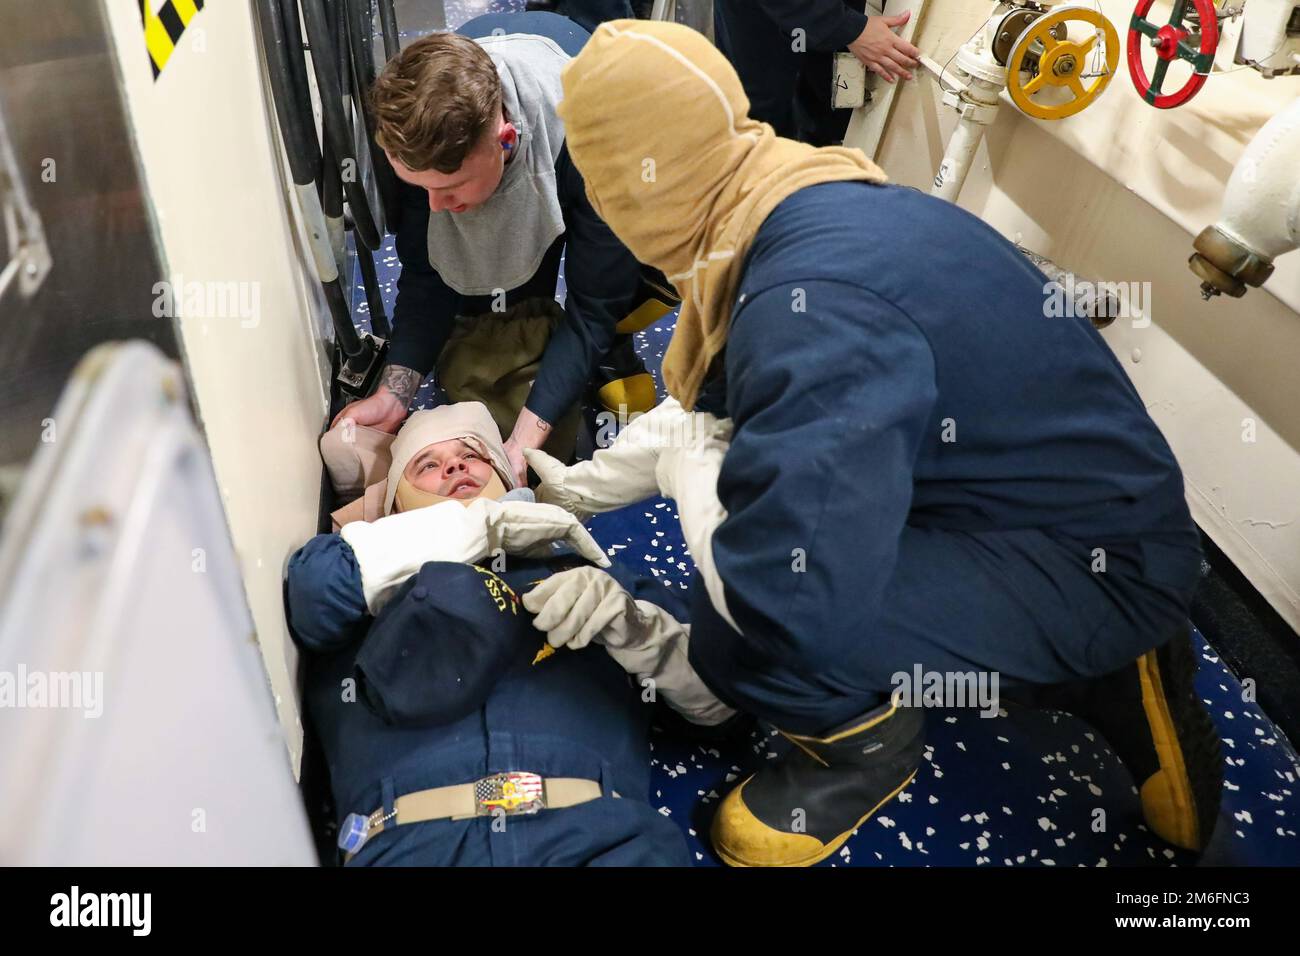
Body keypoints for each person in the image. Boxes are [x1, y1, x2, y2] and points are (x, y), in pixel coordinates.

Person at [525, 19, 1222, 867]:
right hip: (1040, 497)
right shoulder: (810, 192)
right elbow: (722, 407)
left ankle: (866, 752)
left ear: (634, 190)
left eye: (600, 188)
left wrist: (684, 467)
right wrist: (574, 489)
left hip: (1100, 564)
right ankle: (1069, 643)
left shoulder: (807, 309)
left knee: (739, 630)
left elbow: (778, 592)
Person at [286, 402, 730, 865]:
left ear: (507, 478)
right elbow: (314, 598)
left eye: (472, 454)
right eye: (428, 465)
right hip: (413, 844)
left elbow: (721, 707)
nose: (455, 465)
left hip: (601, 838)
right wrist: (480, 524)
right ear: (396, 502)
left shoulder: (591, 568)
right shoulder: (366, 571)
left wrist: (641, 635)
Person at [332, 11, 665, 487]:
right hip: (486, 64)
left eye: (451, 188)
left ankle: (615, 348)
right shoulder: (419, 145)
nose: (435, 206)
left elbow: (593, 306)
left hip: (588, 107)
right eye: (420, 188)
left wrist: (524, 441)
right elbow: (427, 275)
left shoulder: (600, 149)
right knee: (499, 310)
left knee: (622, 276)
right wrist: (395, 392)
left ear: (504, 141)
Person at [714, 1, 921, 145]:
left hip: (822, 28)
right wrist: (849, 28)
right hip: (768, 25)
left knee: (817, 120)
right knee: (765, 131)